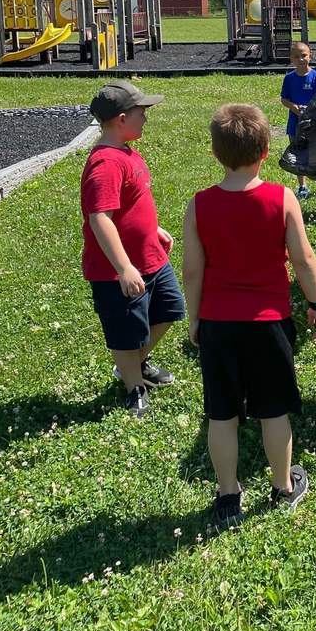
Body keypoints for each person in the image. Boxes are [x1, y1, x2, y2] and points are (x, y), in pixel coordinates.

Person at [183, 103, 316, 528]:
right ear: (266, 150)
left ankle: (229, 496)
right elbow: (303, 259)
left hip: (218, 324)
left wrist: (195, 319)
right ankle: (282, 486)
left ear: (215, 152)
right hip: (269, 323)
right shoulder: (282, 198)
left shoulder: (200, 204)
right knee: (273, 409)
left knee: (221, 413)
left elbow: (193, 270)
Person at [81, 80, 184, 420]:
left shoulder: (126, 150)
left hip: (151, 256)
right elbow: (100, 219)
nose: (146, 118)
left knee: (170, 309)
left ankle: (135, 365)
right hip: (118, 269)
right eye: (143, 112)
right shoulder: (106, 163)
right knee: (125, 334)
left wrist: (152, 229)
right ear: (122, 118)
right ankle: (133, 385)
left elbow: (130, 203)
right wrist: (124, 268)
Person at [280, 41, 316, 199]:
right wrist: (295, 108)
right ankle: (302, 187)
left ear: (310, 56)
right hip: (295, 124)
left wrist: (313, 110)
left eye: (304, 55)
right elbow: (284, 99)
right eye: (296, 56)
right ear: (291, 59)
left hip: (315, 123)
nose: (301, 59)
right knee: (299, 154)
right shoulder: (289, 79)